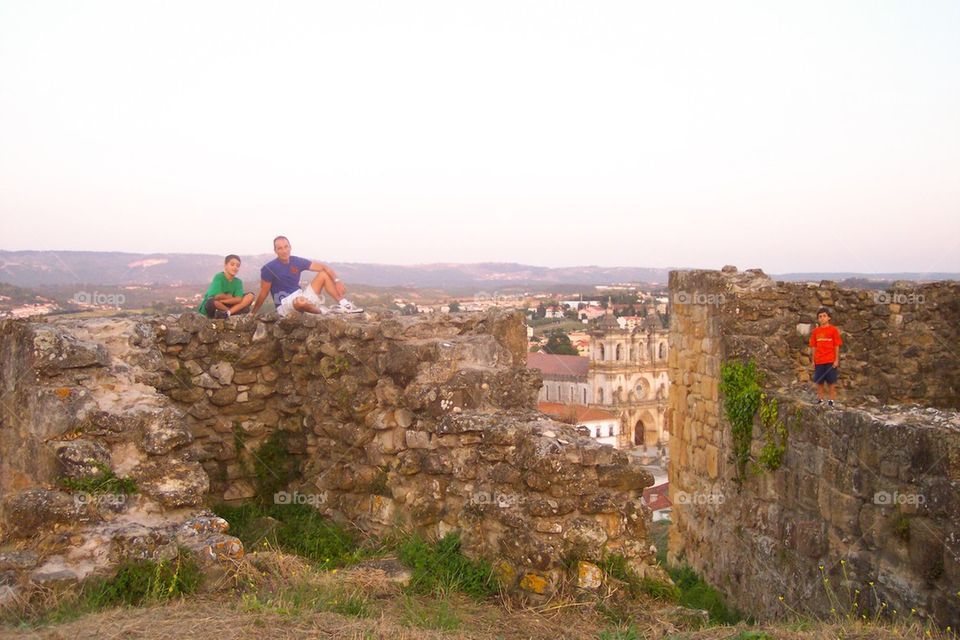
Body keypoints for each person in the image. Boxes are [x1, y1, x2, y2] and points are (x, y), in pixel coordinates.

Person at [251, 235, 362, 316]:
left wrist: (337, 281)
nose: (284, 251)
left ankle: (345, 305)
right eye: (280, 248)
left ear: (290, 247)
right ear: (275, 251)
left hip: (301, 296)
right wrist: (253, 313)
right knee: (300, 301)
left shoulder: (296, 261)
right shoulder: (268, 268)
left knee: (323, 275)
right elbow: (263, 293)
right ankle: (324, 312)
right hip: (284, 305)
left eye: (286, 247)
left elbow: (324, 267)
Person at [809, 306, 842, 406]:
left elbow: (836, 345)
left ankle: (831, 400)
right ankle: (820, 399)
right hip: (819, 360)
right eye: (820, 316)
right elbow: (813, 346)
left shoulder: (833, 330)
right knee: (819, 381)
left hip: (830, 360)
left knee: (831, 381)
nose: (822, 318)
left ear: (828, 318)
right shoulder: (815, 332)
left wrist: (836, 360)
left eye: (824, 316)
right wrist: (813, 360)